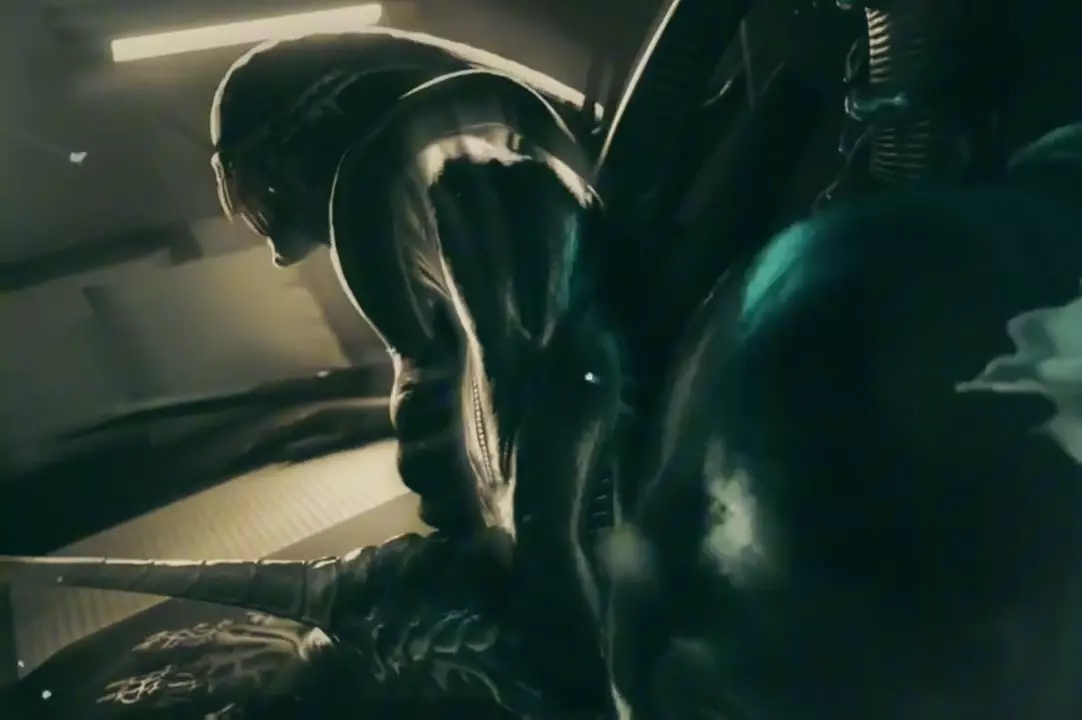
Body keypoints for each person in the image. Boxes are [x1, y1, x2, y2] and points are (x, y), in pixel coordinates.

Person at [7, 26, 1082, 720]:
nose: (284, 249)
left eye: (264, 200)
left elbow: (556, 400)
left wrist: (556, 587)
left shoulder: (427, 191)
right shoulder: (477, 195)